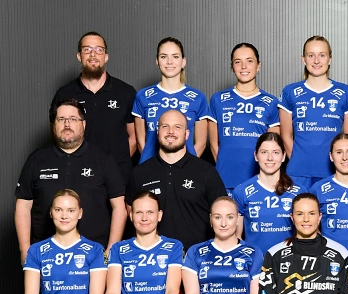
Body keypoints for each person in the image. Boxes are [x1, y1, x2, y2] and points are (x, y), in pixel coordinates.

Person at [15, 98, 126, 263]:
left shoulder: (103, 159)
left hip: (93, 257)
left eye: (73, 119)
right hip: (45, 257)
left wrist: (111, 250)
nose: (67, 124)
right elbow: (23, 206)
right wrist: (25, 250)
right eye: (61, 119)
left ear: (83, 124)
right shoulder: (37, 159)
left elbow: (119, 207)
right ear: (54, 125)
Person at [126, 109, 227, 251]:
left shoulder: (206, 172)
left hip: (196, 257)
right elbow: (132, 216)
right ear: (157, 132)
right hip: (153, 257)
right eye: (165, 126)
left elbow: (223, 215)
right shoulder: (139, 173)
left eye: (177, 127)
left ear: (187, 134)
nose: (171, 132)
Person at [51, 32, 137, 181]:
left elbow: (135, 136)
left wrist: (111, 166)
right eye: (87, 49)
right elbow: (58, 135)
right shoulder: (64, 94)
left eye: (98, 49)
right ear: (79, 56)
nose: (93, 54)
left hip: (118, 176)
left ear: (106, 56)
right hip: (77, 176)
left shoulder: (125, 92)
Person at [278, 36, 348, 189]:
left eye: (322, 55)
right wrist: (299, 159)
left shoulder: (345, 92)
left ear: (330, 59)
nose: (316, 61)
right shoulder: (290, 92)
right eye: (311, 55)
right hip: (298, 172)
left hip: (334, 172)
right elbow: (285, 135)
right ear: (303, 59)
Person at [208, 43, 280, 197]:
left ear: (258, 65)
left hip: (259, 181)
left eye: (249, 61)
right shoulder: (218, 99)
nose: (243, 66)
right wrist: (226, 168)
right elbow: (214, 144)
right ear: (232, 67)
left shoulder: (271, 102)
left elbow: (275, 147)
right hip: (225, 179)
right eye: (238, 62)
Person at [133, 37, 212, 163]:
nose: (169, 62)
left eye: (175, 56)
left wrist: (185, 167)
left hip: (185, 169)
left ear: (183, 61)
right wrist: (152, 166)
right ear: (157, 61)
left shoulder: (198, 97)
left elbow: (201, 143)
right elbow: (141, 142)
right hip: (151, 168)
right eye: (164, 56)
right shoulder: (143, 96)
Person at [233, 132, 302, 254]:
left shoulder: (299, 191)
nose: (270, 158)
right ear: (256, 156)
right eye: (264, 152)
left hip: (290, 260)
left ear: (283, 156)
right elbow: (237, 238)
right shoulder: (242, 191)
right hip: (256, 260)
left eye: (275, 152)